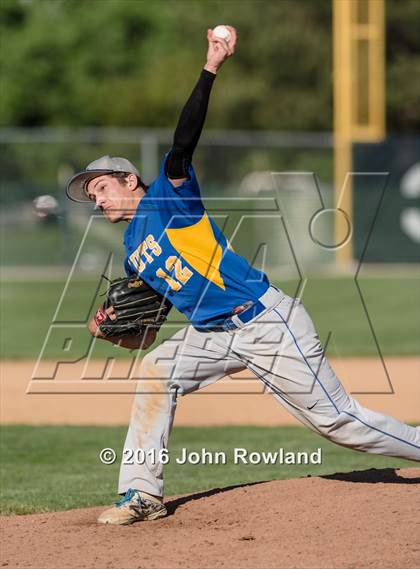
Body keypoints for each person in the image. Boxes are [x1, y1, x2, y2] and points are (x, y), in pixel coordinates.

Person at [66, 26, 420, 526]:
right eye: (91, 195)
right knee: (155, 372)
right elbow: (149, 330)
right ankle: (142, 494)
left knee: (338, 422)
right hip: (212, 336)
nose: (97, 199)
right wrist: (104, 330)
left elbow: (184, 138)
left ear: (129, 180)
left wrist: (210, 68)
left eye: (100, 187)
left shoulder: (170, 197)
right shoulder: (131, 251)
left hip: (264, 323)